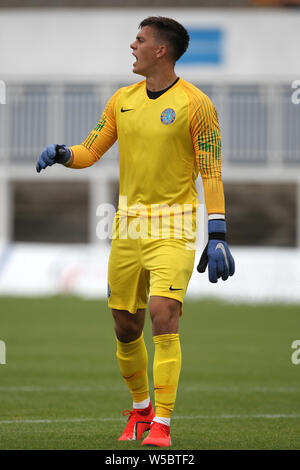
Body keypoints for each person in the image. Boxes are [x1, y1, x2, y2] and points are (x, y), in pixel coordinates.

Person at [36, 16, 235, 447]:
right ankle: (141, 410)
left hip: (174, 224)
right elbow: (92, 151)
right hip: (127, 225)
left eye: (140, 40)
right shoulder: (121, 100)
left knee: (165, 315)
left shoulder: (196, 104)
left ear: (160, 50)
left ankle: (161, 425)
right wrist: (63, 153)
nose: (132, 45)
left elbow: (211, 171)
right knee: (126, 326)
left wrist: (216, 233)